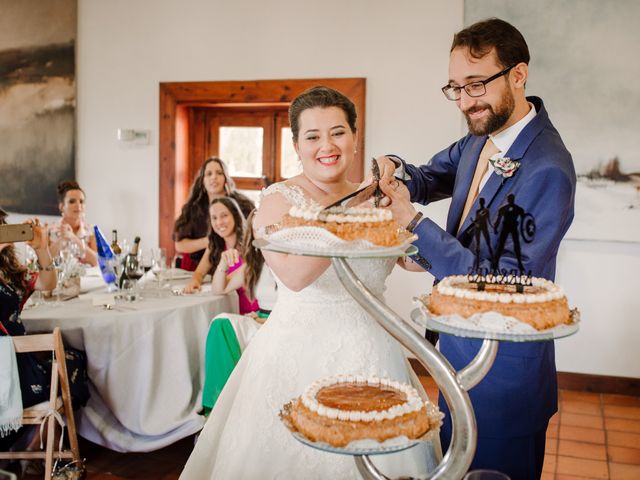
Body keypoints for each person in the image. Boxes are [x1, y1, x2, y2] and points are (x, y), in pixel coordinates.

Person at [180, 86, 437, 479]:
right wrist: (355, 212)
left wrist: (410, 217)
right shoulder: (279, 200)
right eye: (312, 136)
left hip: (374, 352)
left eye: (337, 132)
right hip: (294, 355)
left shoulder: (378, 197)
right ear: (297, 145)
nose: (326, 145)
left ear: (354, 137)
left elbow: (414, 260)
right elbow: (296, 275)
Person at [375, 18, 576, 480]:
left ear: (518, 75)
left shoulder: (548, 169)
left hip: (505, 370)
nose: (465, 101)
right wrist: (396, 170)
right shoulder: (479, 137)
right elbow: (430, 176)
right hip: (457, 355)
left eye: (476, 85)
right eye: (455, 88)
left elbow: (496, 285)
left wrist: (413, 223)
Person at [0, 208, 90, 454]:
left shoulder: (9, 271)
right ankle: (44, 438)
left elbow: (48, 283)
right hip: (10, 378)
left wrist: (41, 247)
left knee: (72, 358)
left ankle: (41, 438)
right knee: (68, 361)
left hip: (17, 368)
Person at [201, 210, 276, 414]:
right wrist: (223, 264)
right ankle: (216, 408)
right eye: (256, 230)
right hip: (259, 320)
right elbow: (219, 288)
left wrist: (265, 321)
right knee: (221, 324)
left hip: (278, 324)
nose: (261, 234)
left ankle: (225, 408)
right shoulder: (254, 265)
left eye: (265, 229)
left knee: (224, 324)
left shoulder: (289, 262)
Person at [173, 157, 255, 271]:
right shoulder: (193, 208)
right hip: (198, 268)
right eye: (209, 174)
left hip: (235, 266)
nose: (214, 177)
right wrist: (212, 240)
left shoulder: (244, 205)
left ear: (226, 178)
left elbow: (253, 236)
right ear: (202, 181)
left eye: (219, 173)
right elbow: (179, 245)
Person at [182, 197, 259, 313]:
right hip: (227, 307)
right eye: (214, 218)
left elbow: (228, 281)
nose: (219, 222)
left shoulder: (249, 243)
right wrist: (195, 282)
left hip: (252, 310)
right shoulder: (215, 246)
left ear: (235, 215)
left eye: (224, 216)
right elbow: (199, 272)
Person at [48, 180, 98, 267]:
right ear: (61, 206)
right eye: (72, 201)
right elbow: (45, 263)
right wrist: (61, 239)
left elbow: (97, 262)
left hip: (87, 279)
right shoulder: (50, 230)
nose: (78, 205)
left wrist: (73, 237)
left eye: (81, 201)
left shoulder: (91, 230)